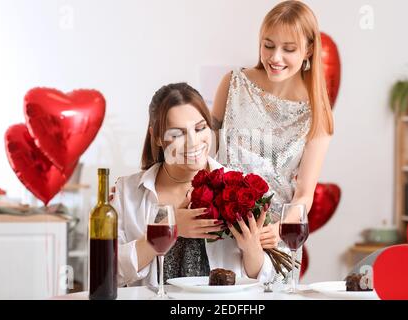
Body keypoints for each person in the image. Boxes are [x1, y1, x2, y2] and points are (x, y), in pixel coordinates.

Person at [212, 1, 334, 280]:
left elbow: (304, 194)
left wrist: (279, 229)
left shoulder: (317, 113)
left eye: (288, 49)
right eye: (268, 45)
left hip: (273, 240)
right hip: (220, 229)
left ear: (309, 49)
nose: (275, 57)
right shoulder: (232, 84)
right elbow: (202, 153)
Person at [112, 83, 274, 287]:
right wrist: (168, 229)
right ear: (157, 137)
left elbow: (264, 280)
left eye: (200, 128)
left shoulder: (238, 189)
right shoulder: (126, 192)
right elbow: (109, 273)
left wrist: (252, 248)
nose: (193, 142)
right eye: (177, 134)